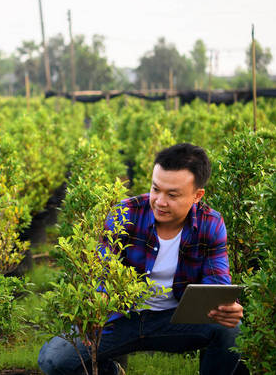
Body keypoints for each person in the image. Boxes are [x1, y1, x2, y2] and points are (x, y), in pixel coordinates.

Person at [38, 143, 244, 375]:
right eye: (156, 189)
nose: (160, 201)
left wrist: (225, 308)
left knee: (232, 329)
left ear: (197, 196)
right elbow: (103, 270)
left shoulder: (210, 223)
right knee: (54, 360)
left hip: (175, 320)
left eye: (172, 194)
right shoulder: (126, 213)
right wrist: (98, 301)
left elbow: (216, 281)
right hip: (122, 319)